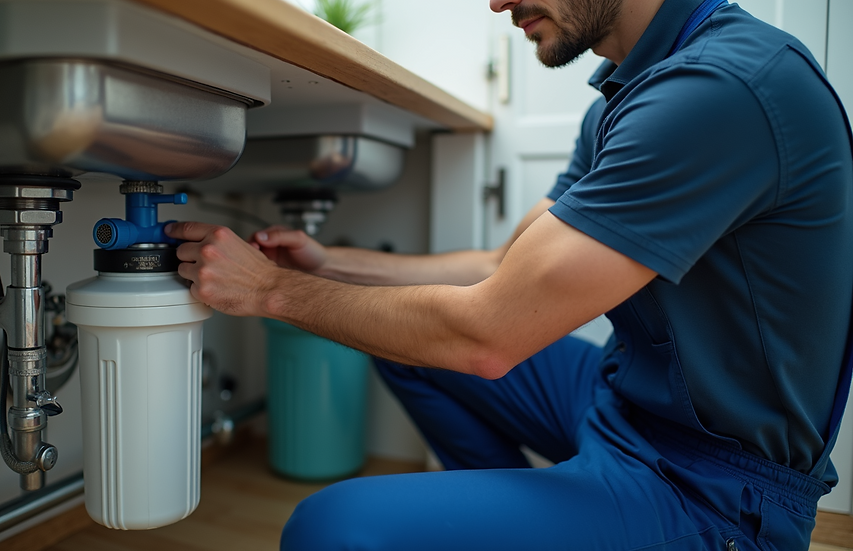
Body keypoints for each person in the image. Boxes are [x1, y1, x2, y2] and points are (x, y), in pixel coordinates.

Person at [165, 0, 853, 548]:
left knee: (329, 529)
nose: (496, 3)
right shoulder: (624, 96)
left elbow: (487, 337)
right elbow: (505, 269)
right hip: (624, 404)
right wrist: (331, 264)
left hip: (713, 483)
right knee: (404, 349)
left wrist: (268, 290)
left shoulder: (719, 90)